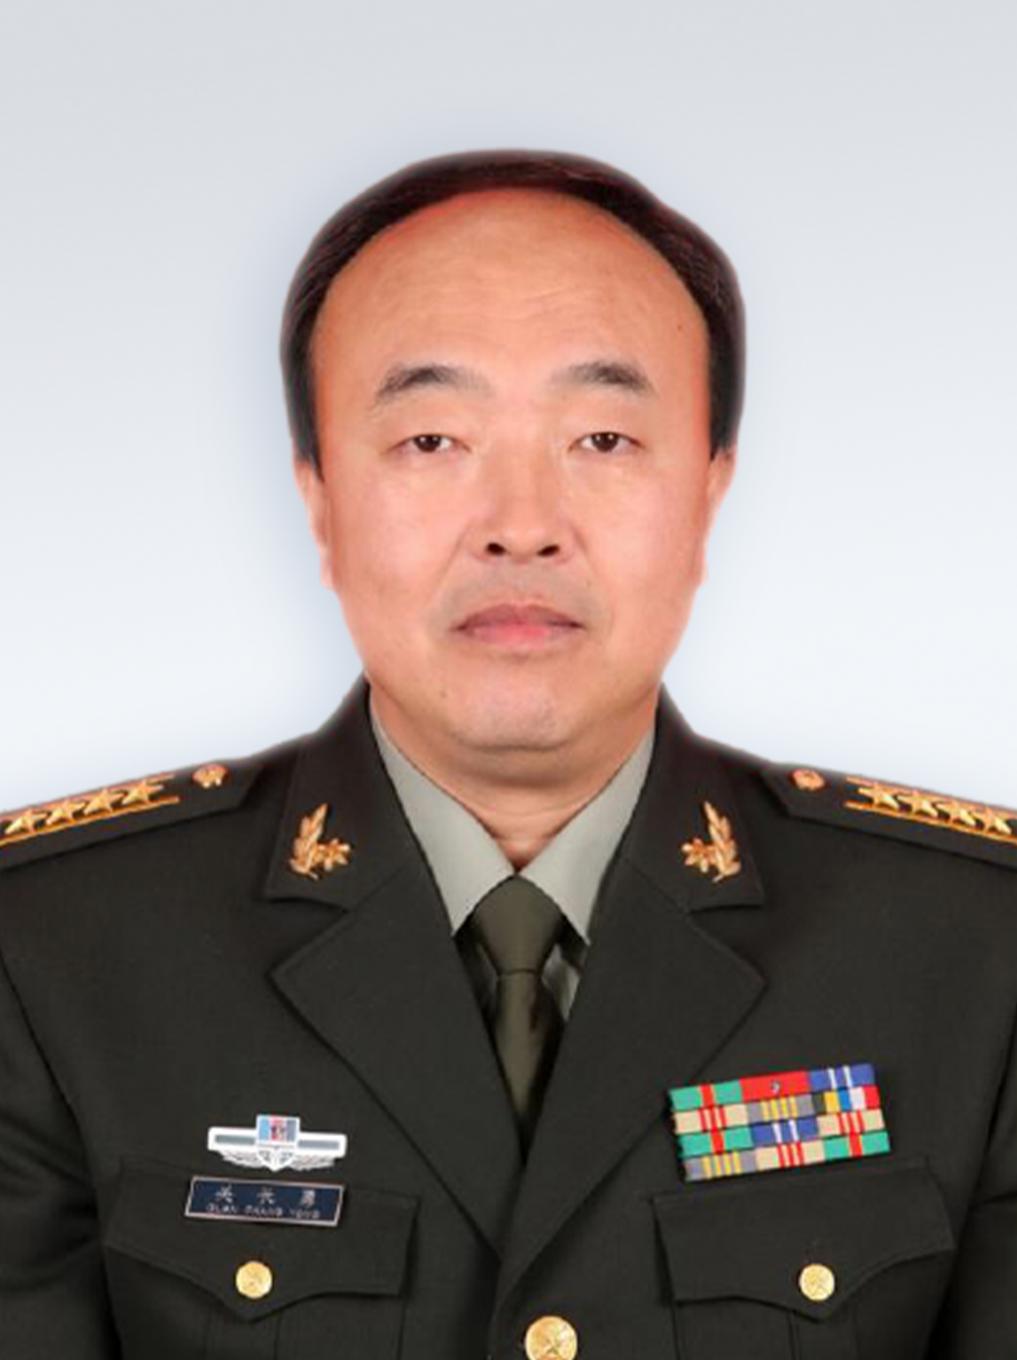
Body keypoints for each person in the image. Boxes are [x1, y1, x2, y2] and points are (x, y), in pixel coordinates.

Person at [0, 148, 1013, 1360]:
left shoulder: (976, 949)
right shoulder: (53, 949)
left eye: (603, 438)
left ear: (708, 494)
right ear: (320, 500)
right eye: (433, 439)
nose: (522, 527)